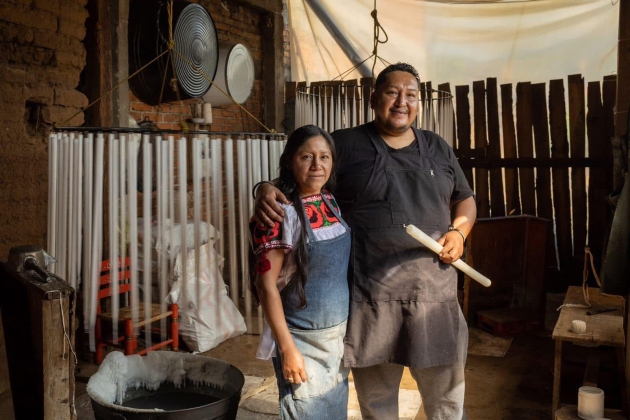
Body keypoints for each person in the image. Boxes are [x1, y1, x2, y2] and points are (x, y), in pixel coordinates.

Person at [254, 63, 477, 420]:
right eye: (392, 92)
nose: (402, 102)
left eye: (411, 95)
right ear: (373, 99)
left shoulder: (437, 147)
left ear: (419, 103)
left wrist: (459, 231)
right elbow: (304, 171)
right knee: (378, 407)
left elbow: (465, 199)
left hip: (434, 298)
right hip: (372, 304)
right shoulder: (344, 144)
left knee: (447, 406)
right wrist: (265, 189)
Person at [249, 124, 351, 419]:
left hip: (335, 338)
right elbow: (265, 286)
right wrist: (288, 348)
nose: (317, 166)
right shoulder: (279, 214)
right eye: (306, 157)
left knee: (333, 410)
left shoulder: (329, 201)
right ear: (290, 161)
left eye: (324, 157)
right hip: (302, 339)